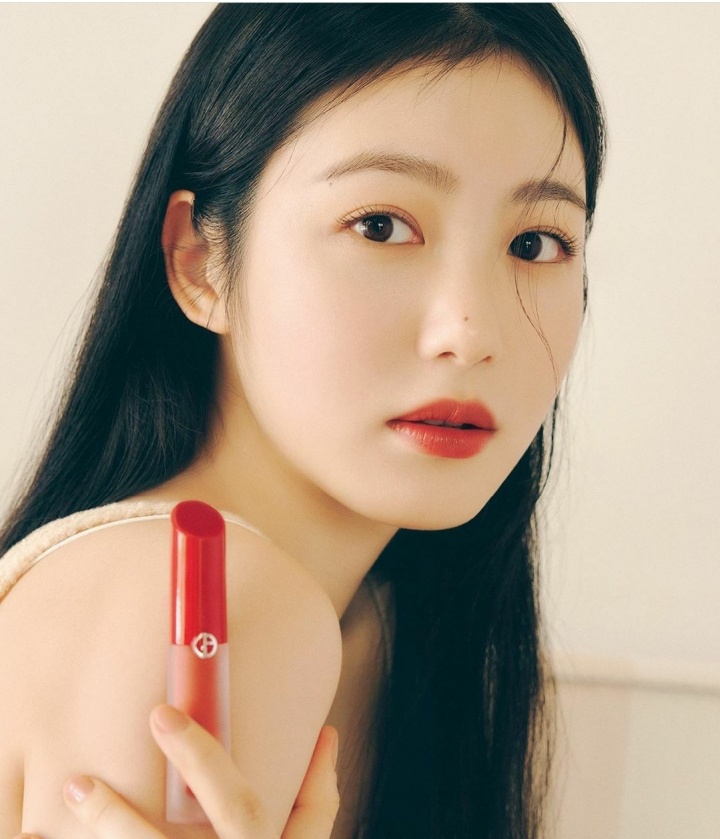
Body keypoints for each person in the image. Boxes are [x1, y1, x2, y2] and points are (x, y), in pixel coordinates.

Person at [0, 4, 605, 838]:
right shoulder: (207, 609)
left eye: (536, 243)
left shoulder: (384, 629)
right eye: (380, 226)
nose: (470, 332)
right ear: (199, 260)